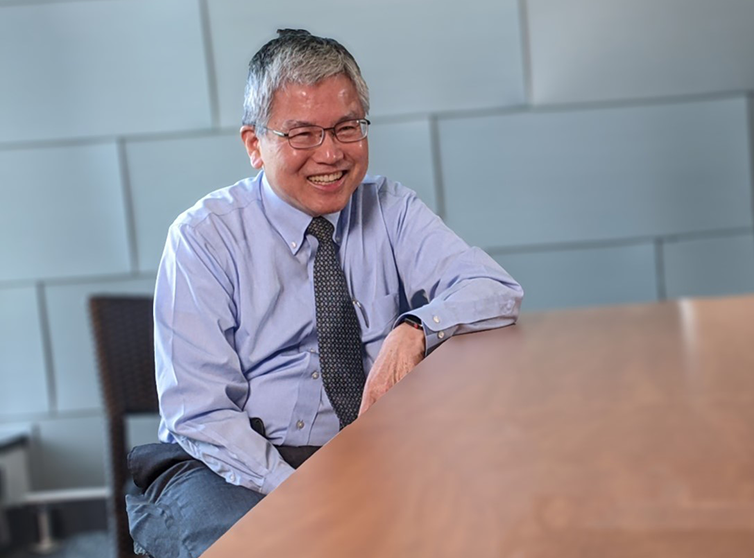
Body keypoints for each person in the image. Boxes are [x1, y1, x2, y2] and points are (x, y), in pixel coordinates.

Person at [125, 29, 522, 558]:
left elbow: (494, 288)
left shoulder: (392, 209)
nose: (330, 153)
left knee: (488, 520)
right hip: (225, 463)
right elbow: (200, 415)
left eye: (345, 128)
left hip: (367, 451)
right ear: (254, 146)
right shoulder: (204, 236)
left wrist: (415, 329)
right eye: (302, 134)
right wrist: (304, 493)